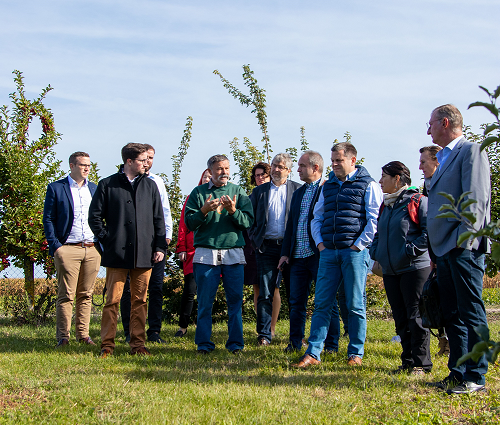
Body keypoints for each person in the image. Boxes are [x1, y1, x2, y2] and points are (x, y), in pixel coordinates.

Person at [293, 142, 383, 368]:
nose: (333, 164)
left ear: (353, 160)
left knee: (354, 304)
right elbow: (317, 217)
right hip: (329, 253)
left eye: (338, 161)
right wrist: (321, 244)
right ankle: (313, 353)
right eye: (332, 160)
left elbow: (375, 219)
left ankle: (355, 353)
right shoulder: (328, 185)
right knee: (322, 303)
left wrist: (358, 246)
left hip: (354, 254)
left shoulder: (368, 184)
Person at [425, 104, 491, 394]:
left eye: (431, 124)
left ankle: (476, 376)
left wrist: (464, 242)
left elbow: (475, 200)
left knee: (470, 309)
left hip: (463, 247)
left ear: (445, 122)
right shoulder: (445, 157)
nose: (428, 130)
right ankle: (458, 372)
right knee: (452, 312)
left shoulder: (470, 152)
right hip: (445, 250)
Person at [89, 143, 166, 357]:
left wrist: (160, 246)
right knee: (112, 301)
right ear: (129, 161)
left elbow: (159, 219)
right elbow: (94, 217)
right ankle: (107, 345)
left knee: (140, 301)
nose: (146, 163)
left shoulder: (151, 186)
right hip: (117, 254)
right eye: (142, 160)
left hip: (144, 254)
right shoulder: (107, 184)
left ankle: (138, 345)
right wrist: (107, 238)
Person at [184, 154, 254, 354]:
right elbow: (189, 224)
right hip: (206, 253)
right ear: (210, 172)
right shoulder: (198, 193)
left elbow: (248, 222)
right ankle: (204, 344)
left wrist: (233, 211)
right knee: (205, 302)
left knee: (235, 301)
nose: (224, 172)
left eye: (226, 168)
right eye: (219, 169)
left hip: (233, 252)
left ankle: (236, 345)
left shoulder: (238, 191)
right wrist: (204, 210)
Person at [369, 161, 432, 375]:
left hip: (414, 268)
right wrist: (376, 252)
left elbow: (428, 230)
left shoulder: (417, 200)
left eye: (384, 176)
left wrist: (411, 251)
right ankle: (408, 361)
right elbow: (379, 233)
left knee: (416, 316)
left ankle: (421, 364)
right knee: (400, 317)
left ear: (397, 179)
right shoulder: (386, 205)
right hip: (391, 270)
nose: (380, 181)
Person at [43, 152, 101, 347]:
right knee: (66, 295)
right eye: (83, 165)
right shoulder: (56, 188)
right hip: (67, 248)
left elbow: (101, 217)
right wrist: (56, 246)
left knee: (86, 294)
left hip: (92, 249)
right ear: (72, 166)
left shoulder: (94, 188)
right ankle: (63, 337)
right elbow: (48, 219)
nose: (87, 168)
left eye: (89, 165)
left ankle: (83, 335)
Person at [278, 151, 331, 353]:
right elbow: (291, 225)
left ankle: (331, 344)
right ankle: (295, 342)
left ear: (315, 168)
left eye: (301, 166)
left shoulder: (327, 189)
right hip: (297, 257)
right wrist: (285, 253)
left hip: (318, 255)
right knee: (296, 302)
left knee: (325, 300)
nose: (297, 170)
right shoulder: (299, 192)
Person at [119, 144, 173, 344]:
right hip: (130, 245)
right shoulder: (120, 181)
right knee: (128, 290)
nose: (148, 162)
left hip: (155, 243)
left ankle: (154, 330)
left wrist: (166, 238)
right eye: (145, 158)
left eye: (151, 158)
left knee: (156, 287)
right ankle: (129, 330)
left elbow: (164, 211)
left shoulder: (157, 182)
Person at [249, 153, 301, 346]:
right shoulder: (259, 192)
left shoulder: (298, 190)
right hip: (266, 248)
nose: (276, 169)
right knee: (265, 293)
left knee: (295, 294)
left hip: (292, 249)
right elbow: (249, 219)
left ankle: (296, 337)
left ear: (288, 170)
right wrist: (256, 240)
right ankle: (264, 334)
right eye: (274, 166)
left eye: (280, 166)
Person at [419, 145, 450, 357]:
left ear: (436, 161)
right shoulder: (426, 186)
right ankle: (443, 339)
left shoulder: (446, 183)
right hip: (434, 250)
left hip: (448, 247)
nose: (420, 167)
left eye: (424, 162)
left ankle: (449, 342)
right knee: (437, 295)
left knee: (449, 296)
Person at [244, 162, 281, 338]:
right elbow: (248, 220)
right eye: (257, 175)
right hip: (254, 248)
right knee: (258, 288)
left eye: (263, 175)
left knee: (273, 288)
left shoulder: (279, 192)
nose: (259, 178)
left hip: (275, 247)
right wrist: (253, 237)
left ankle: (271, 328)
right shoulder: (254, 194)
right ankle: (263, 327)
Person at [174, 168, 211, 337]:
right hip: (191, 252)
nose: (207, 179)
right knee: (189, 291)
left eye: (210, 177)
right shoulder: (192, 198)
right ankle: (182, 327)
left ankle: (203, 327)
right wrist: (181, 247)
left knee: (207, 291)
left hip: (211, 252)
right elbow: (183, 225)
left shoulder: (220, 199)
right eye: (205, 176)